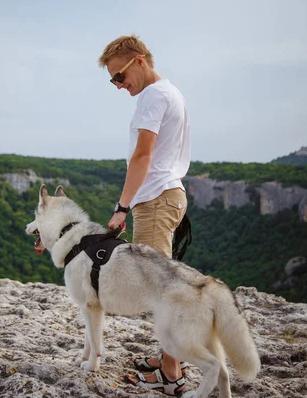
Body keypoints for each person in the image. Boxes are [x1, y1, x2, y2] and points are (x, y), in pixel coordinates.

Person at [98, 35, 191, 395]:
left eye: (119, 76)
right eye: (113, 81)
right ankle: (171, 357)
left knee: (161, 290)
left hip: (154, 201)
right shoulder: (170, 91)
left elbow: (142, 157)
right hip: (166, 195)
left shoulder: (152, 96)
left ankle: (171, 374)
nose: (119, 86)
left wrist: (122, 207)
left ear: (138, 61)